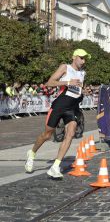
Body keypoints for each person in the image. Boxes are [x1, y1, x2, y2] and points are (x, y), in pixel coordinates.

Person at [25, 49, 91, 178]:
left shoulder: (83, 73)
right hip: (60, 106)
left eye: (85, 59)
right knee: (47, 135)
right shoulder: (65, 67)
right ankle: (32, 153)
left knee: (70, 133)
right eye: (81, 58)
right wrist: (67, 82)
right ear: (74, 57)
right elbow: (49, 83)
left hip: (72, 107)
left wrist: (83, 93)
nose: (83, 61)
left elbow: (77, 89)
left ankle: (55, 166)